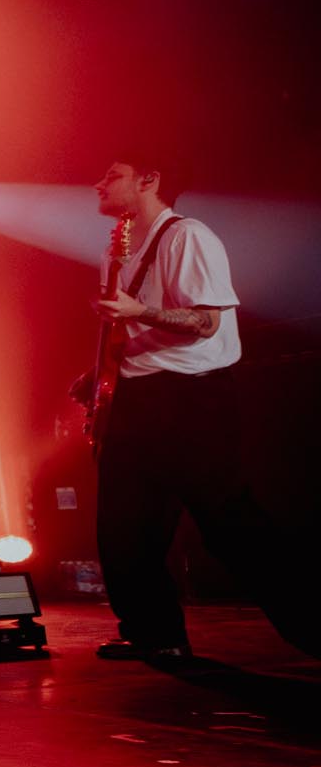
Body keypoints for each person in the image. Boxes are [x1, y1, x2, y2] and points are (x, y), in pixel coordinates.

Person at [83, 152, 307, 659]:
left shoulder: (187, 236)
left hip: (190, 397)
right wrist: (97, 374)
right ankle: (155, 635)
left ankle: (311, 624)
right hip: (137, 398)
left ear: (150, 180)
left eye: (112, 175)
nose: (99, 184)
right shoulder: (116, 250)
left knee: (230, 526)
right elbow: (128, 329)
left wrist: (140, 310)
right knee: (124, 530)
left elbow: (206, 322)